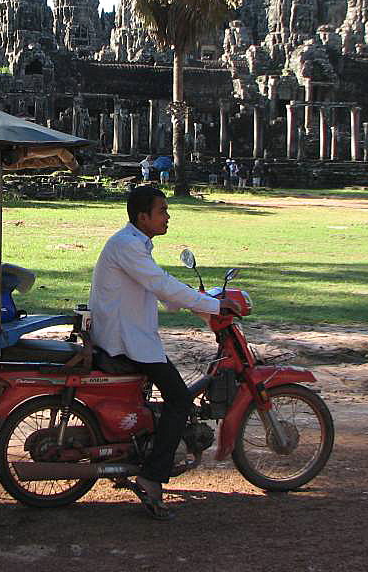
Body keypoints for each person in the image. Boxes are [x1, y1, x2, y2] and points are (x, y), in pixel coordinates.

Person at [89, 185, 241, 520]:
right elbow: (161, 285)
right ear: (143, 217)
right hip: (126, 340)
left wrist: (196, 302)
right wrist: (213, 305)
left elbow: (162, 287)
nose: (168, 216)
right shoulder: (128, 246)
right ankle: (152, 476)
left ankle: (149, 453)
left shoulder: (134, 244)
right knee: (180, 400)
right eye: (162, 211)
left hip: (130, 334)